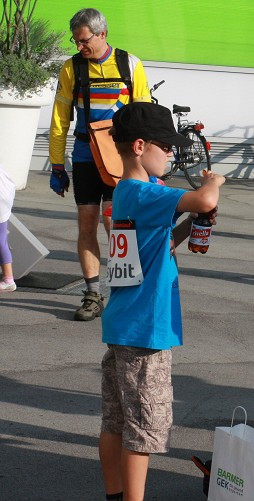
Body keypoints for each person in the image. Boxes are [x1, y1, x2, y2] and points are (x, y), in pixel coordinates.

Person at [99, 102, 224, 501]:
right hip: (146, 332)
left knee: (116, 421)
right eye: (167, 148)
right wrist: (212, 183)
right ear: (139, 146)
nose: (172, 156)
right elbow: (206, 197)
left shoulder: (129, 195)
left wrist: (191, 225)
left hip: (123, 326)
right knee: (144, 429)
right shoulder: (147, 193)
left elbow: (158, 245)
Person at [48, 8, 151, 321]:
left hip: (120, 159)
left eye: (84, 40)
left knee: (115, 223)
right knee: (87, 222)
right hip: (85, 157)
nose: (80, 46)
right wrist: (56, 165)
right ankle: (93, 294)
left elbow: (144, 116)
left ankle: (127, 294)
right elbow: (59, 119)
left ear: (102, 33)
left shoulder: (129, 64)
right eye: (76, 41)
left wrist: (146, 165)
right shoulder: (71, 69)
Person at [0, 165, 15, 292]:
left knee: (0, 240)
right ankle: (8, 279)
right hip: (5, 194)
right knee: (1, 239)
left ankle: (8, 279)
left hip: (2, 197)